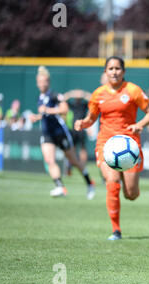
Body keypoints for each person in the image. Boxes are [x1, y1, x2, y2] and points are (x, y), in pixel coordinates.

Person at [74, 56, 149, 241]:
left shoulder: (133, 90)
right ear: (105, 72)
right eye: (110, 68)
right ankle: (116, 230)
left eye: (118, 68)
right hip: (106, 145)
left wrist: (139, 124)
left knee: (131, 194)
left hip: (129, 146)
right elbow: (91, 118)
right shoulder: (98, 94)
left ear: (123, 71)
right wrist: (83, 123)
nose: (114, 72)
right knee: (112, 183)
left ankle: (130, 189)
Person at [29, 66, 95, 199]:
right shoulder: (40, 97)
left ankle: (89, 182)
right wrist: (37, 117)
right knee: (49, 159)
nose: (42, 84)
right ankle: (60, 186)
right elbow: (45, 113)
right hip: (48, 133)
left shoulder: (53, 95)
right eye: (40, 81)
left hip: (60, 132)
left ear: (48, 82)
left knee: (74, 160)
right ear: (37, 83)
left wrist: (48, 110)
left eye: (44, 81)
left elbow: (64, 109)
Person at [63, 89, 92, 174]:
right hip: (73, 129)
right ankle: (70, 166)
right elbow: (62, 99)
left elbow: (93, 99)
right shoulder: (72, 105)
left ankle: (83, 166)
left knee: (83, 148)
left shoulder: (84, 105)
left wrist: (83, 94)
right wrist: (71, 94)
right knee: (72, 148)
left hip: (82, 128)